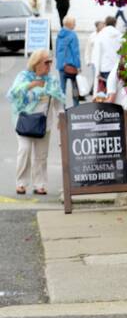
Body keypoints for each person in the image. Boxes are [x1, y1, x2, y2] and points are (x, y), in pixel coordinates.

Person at [8, 50, 64, 196]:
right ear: (36, 63)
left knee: (41, 155)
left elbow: (58, 101)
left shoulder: (52, 81)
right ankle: (21, 183)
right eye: (46, 62)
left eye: (50, 62)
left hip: (44, 124)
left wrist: (61, 117)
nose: (49, 65)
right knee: (24, 150)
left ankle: (40, 185)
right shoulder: (24, 77)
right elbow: (13, 93)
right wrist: (31, 85)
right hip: (25, 122)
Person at [92, 15, 123, 96]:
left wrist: (97, 71)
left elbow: (97, 54)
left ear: (105, 23)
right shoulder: (120, 35)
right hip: (116, 67)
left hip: (104, 68)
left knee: (104, 92)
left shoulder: (100, 35)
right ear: (115, 24)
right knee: (114, 93)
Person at [55, 15, 81, 106]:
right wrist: (78, 66)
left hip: (61, 65)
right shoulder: (73, 35)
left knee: (62, 88)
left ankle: (62, 107)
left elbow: (57, 49)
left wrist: (59, 61)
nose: (75, 25)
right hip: (71, 65)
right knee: (75, 87)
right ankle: (76, 107)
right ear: (70, 24)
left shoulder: (59, 34)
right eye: (74, 23)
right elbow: (75, 52)